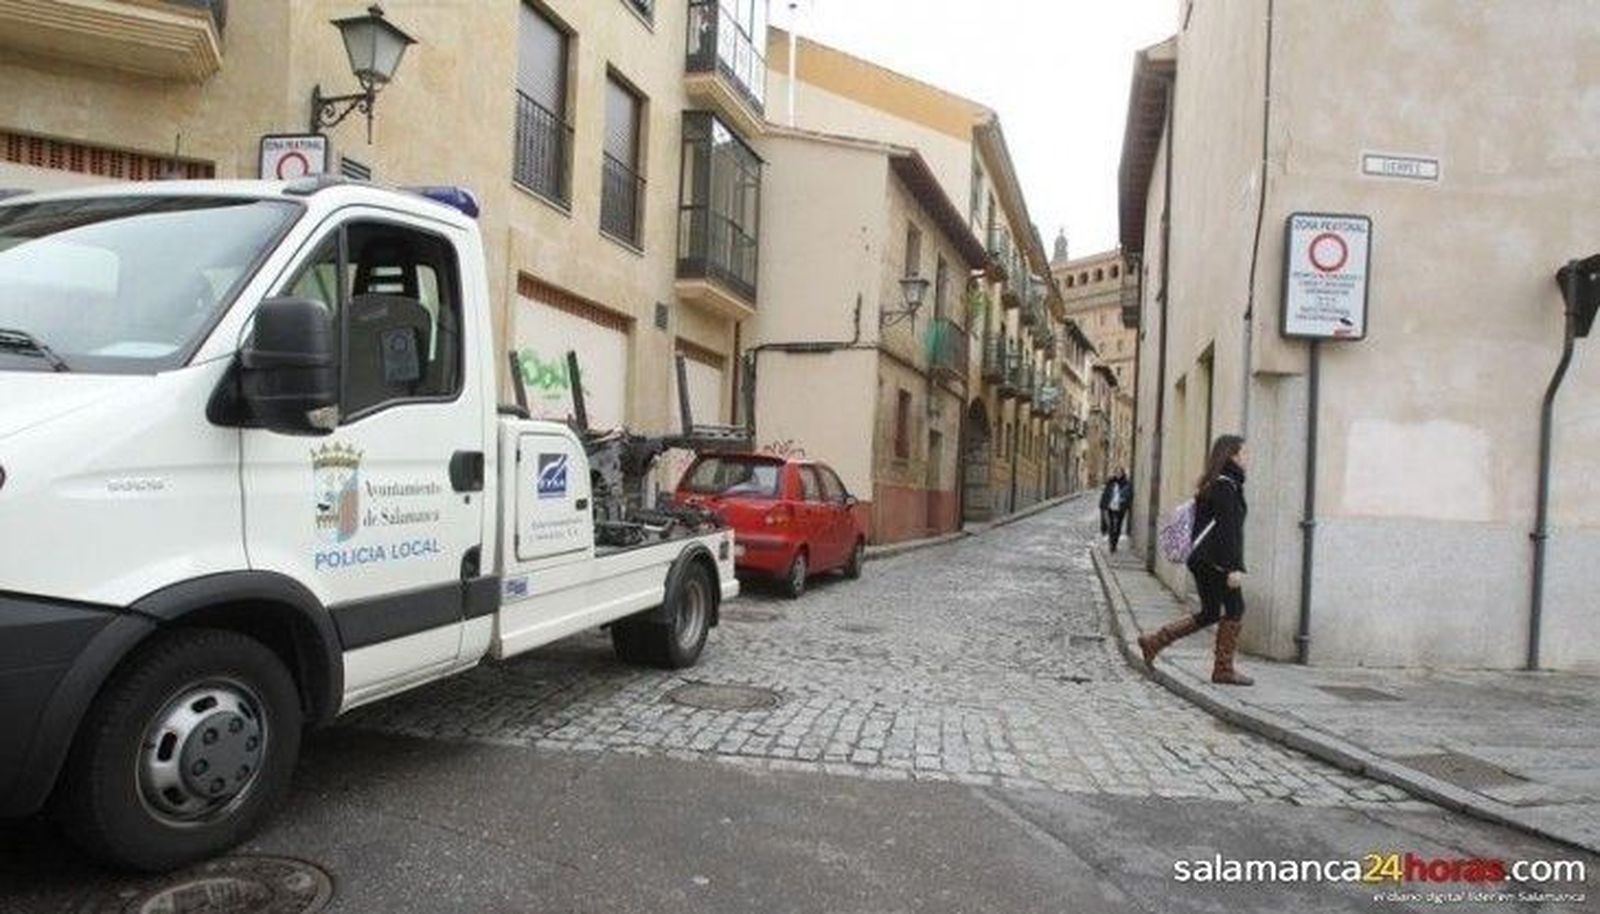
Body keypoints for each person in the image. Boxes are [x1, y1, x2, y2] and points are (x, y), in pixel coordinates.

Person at [1137, 435, 1254, 686]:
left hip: (1202, 559)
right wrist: (1233, 568)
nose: (1248, 459)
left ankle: (1154, 641)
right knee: (1235, 608)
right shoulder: (1226, 485)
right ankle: (1223, 669)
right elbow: (1228, 530)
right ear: (1232, 455)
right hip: (1216, 560)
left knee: (1210, 612)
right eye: (1244, 453)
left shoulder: (1215, 483)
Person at [1098, 469, 1133, 552]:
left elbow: (1129, 496)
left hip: (1120, 508)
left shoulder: (1126, 484)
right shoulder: (1111, 483)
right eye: (1116, 473)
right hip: (1110, 507)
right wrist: (1103, 505)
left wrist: (1125, 503)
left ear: (1122, 474)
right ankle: (1111, 544)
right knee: (1111, 525)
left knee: (1117, 526)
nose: (1118, 475)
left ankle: (1115, 543)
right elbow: (1105, 495)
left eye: (1119, 473)